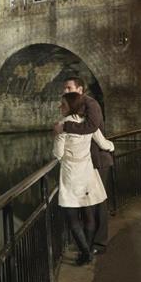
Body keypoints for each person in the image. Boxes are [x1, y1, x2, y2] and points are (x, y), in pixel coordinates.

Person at [54, 91, 114, 265]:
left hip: (71, 175)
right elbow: (103, 143)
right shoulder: (87, 124)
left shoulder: (63, 126)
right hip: (87, 174)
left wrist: (56, 137)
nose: (60, 107)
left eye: (63, 104)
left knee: (72, 218)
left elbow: (58, 154)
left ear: (70, 106)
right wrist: (112, 147)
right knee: (88, 216)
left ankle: (85, 253)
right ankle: (87, 249)